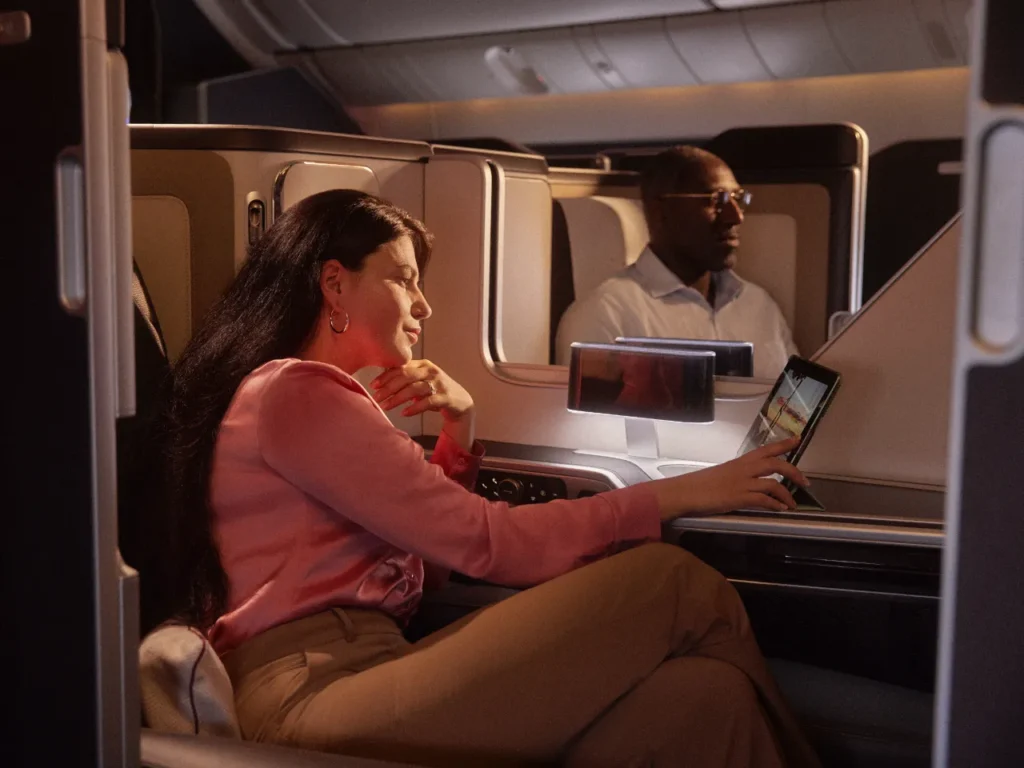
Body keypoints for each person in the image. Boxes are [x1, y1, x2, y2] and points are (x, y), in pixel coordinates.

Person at [158, 188, 821, 767]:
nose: (422, 305)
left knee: (705, 699)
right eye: (402, 279)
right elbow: (490, 544)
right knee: (672, 580)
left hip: (373, 663)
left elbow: (433, 564)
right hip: (309, 696)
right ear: (335, 284)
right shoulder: (296, 394)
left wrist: (459, 433)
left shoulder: (319, 402)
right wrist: (686, 491)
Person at [555, 146, 797, 378]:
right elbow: (591, 421)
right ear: (662, 212)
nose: (736, 216)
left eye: (738, 198)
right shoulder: (606, 315)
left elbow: (798, 413)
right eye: (716, 200)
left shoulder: (760, 306)